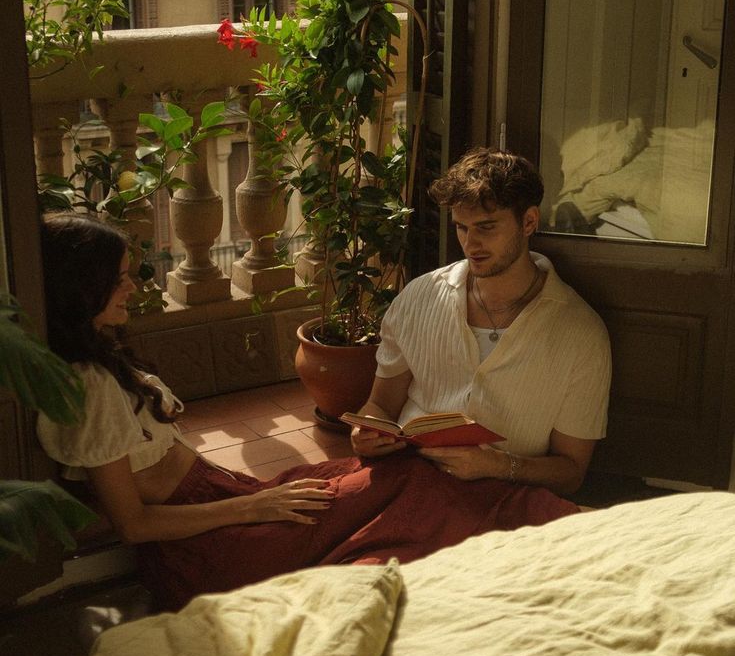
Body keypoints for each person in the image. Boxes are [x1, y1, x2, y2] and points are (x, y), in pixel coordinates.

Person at [36, 211, 585, 612]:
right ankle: (558, 529)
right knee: (414, 488)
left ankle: (539, 524)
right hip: (205, 543)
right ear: (80, 289)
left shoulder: (91, 359)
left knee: (400, 478)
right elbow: (133, 524)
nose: (134, 286)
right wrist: (255, 509)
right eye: (120, 278)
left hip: (221, 502)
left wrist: (256, 497)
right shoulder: (88, 387)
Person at [352, 147, 612, 497]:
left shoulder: (581, 335)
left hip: (501, 502)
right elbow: (380, 406)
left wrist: (498, 467)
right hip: (404, 481)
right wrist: (366, 432)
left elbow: (571, 472)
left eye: (487, 228)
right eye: (462, 228)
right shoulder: (418, 297)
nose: (470, 244)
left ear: (529, 222)